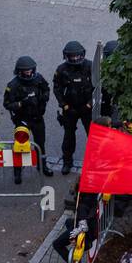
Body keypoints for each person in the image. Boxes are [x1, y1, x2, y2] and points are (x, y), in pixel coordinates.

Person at [3, 55, 53, 183]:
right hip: (22, 119)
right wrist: (21, 104)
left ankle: (42, 165)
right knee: (20, 145)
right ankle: (17, 171)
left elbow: (46, 89)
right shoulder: (13, 85)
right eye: (25, 70)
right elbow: (7, 104)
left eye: (30, 69)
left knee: (40, 143)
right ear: (19, 71)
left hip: (37, 118)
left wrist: (44, 97)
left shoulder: (39, 79)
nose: (28, 72)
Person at [53, 40, 93, 174]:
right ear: (67, 56)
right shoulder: (61, 70)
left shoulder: (90, 66)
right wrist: (64, 105)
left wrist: (89, 104)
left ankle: (94, 162)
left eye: (77, 56)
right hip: (70, 109)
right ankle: (67, 161)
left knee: (93, 136)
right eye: (72, 56)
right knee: (69, 136)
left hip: (86, 108)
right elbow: (57, 89)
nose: (75, 58)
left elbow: (98, 88)